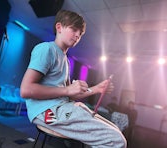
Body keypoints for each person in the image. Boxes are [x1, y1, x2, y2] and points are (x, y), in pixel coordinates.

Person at [20, 10, 126, 148]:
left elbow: (69, 94)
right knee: (116, 141)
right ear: (59, 27)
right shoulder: (46, 49)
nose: (77, 35)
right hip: (47, 111)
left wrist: (97, 89)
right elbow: (26, 90)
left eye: (80, 33)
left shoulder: (66, 60)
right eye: (74, 29)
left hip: (61, 107)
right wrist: (67, 90)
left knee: (116, 130)